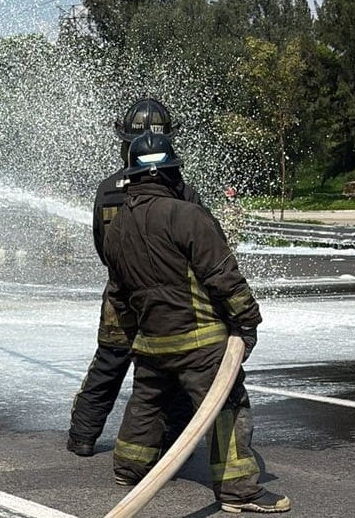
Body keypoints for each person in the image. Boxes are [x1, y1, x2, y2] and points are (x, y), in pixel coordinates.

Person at [103, 131, 290, 513]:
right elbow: (222, 275)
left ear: (133, 177)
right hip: (200, 340)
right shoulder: (187, 216)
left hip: (151, 341)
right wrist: (247, 320)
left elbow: (118, 295)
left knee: (148, 402)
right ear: (169, 173)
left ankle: (130, 466)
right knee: (226, 405)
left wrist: (132, 337)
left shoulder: (118, 228)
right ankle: (239, 490)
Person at [66, 98, 221, 457]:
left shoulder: (107, 190)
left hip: (121, 293)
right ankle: (170, 445)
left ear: (124, 143)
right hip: (169, 299)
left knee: (109, 362)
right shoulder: (182, 192)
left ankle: (82, 437)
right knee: (171, 369)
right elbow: (204, 244)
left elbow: (103, 246)